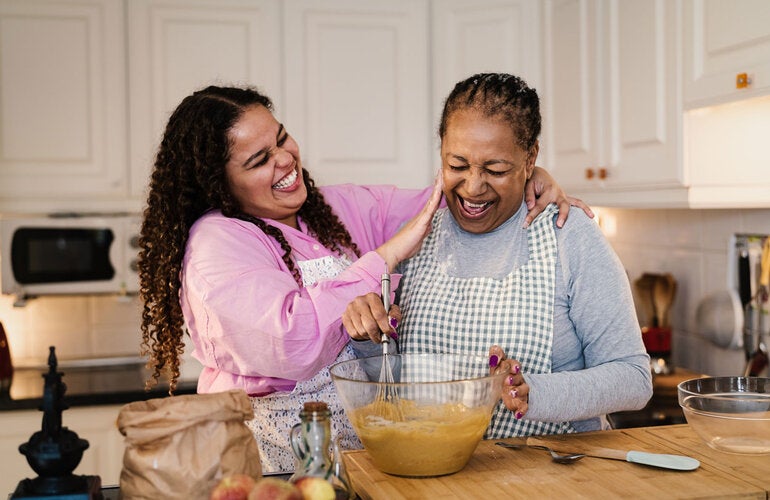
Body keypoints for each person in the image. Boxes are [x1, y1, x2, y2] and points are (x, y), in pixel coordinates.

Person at [137, 85, 588, 473]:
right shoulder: (216, 243)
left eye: (280, 139)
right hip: (273, 461)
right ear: (220, 183)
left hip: (356, 452)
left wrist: (522, 176)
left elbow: (449, 199)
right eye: (259, 159)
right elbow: (293, 342)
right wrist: (385, 256)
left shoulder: (327, 210)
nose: (285, 159)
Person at [343, 73, 653, 438]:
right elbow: (396, 392)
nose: (473, 186)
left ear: (530, 157)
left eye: (496, 169)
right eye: (457, 165)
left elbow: (634, 378)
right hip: (438, 479)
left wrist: (533, 392)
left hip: (552, 481)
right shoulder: (416, 240)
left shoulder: (568, 235)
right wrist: (368, 339)